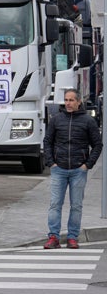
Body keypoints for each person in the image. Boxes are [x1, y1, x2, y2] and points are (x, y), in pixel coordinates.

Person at [43, 88, 102, 249]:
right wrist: (51, 163)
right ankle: (53, 237)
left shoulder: (88, 121)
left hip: (78, 170)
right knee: (55, 204)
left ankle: (72, 237)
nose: (68, 103)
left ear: (78, 102)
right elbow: (47, 141)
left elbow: (97, 145)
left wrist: (87, 165)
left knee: (76, 205)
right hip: (58, 169)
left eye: (71, 100)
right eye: (66, 100)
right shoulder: (56, 120)